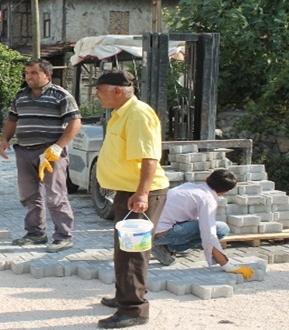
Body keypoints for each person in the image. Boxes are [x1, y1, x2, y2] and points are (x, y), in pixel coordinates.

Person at [93, 71, 170, 328]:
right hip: (128, 192)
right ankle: (124, 296)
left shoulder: (138, 114)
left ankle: (134, 310)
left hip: (140, 193)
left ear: (117, 90)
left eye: (100, 89)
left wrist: (142, 194)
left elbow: (149, 157)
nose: (96, 94)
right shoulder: (121, 113)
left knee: (133, 253)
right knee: (123, 250)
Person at [0, 58, 81, 253]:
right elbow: (12, 119)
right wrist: (4, 140)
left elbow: (75, 123)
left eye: (34, 73)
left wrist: (58, 147)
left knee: (55, 195)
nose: (29, 77)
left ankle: (63, 236)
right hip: (24, 151)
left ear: (47, 74)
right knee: (29, 195)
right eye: (27, 73)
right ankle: (35, 233)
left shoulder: (61, 95)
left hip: (50, 154)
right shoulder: (20, 96)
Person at [152, 169, 256, 278]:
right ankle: (166, 248)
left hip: (147, 231)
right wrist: (227, 265)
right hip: (159, 234)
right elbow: (209, 235)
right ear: (226, 192)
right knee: (221, 229)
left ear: (206, 178)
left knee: (201, 224)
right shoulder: (207, 199)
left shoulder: (189, 187)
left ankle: (160, 246)